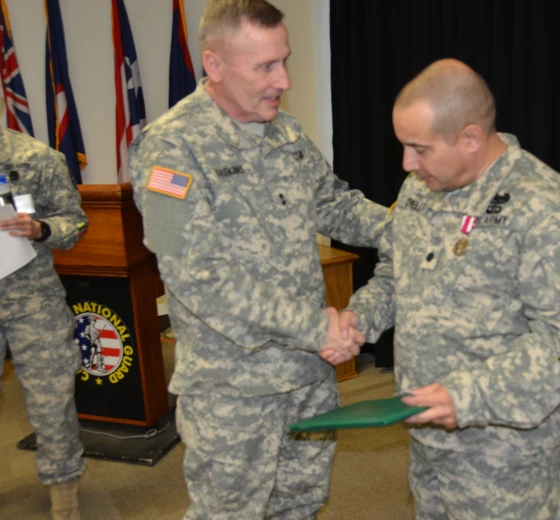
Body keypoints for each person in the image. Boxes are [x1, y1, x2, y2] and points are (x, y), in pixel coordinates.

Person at [128, 1, 387, 518]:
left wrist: (417, 230)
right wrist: (317, 327)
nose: (283, 79)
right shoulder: (172, 149)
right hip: (234, 391)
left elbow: (334, 204)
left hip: (308, 375)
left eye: (285, 60)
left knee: (301, 503)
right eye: (265, 66)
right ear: (215, 64)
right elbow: (198, 279)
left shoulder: (285, 131)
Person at [344, 59, 560, 519]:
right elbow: (396, 275)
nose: (407, 163)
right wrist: (361, 317)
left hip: (502, 456)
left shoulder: (553, 207)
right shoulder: (419, 189)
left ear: (471, 137)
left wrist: (468, 397)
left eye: (419, 148)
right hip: (425, 433)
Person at [0, 50, 87, 520]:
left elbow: (75, 222)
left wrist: (41, 229)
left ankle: (64, 492)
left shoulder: (35, 158)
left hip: (33, 303)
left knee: (52, 407)